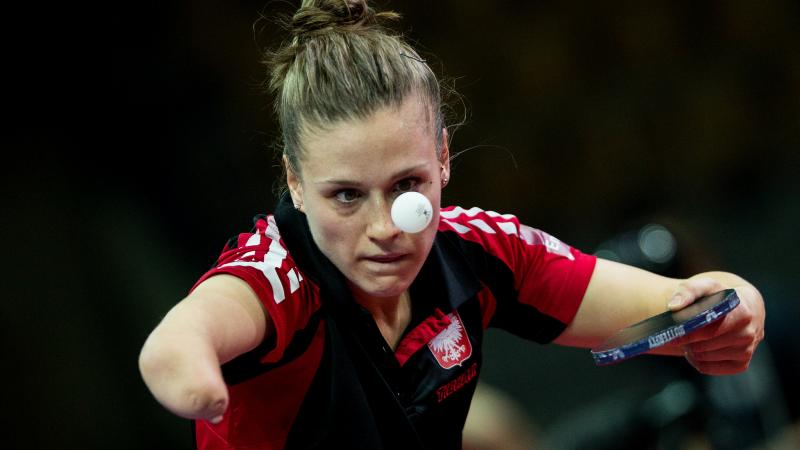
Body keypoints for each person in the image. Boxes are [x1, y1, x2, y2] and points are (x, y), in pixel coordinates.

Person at [137, 1, 766, 448]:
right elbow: (180, 339)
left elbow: (673, 309)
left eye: (407, 186)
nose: (385, 227)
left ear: (442, 157)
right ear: (295, 182)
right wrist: (195, 382)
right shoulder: (276, 278)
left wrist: (727, 309)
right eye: (347, 196)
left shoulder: (477, 249)